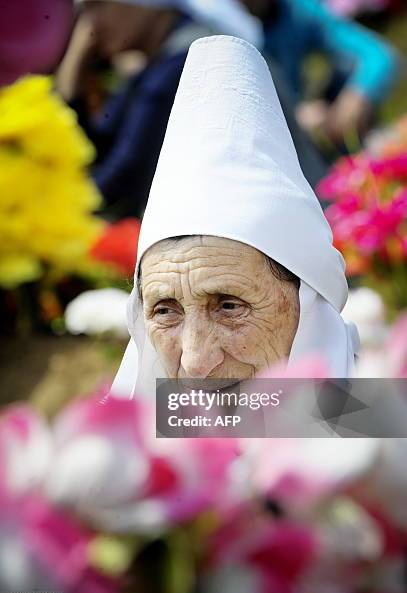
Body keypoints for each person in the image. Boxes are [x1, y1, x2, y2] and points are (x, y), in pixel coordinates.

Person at [111, 35, 359, 402]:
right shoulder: (120, 452)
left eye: (229, 306)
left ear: (309, 301)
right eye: (165, 312)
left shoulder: (387, 444)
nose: (195, 362)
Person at [56, 0, 263, 217]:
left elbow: (121, 179)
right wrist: (74, 65)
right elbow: (96, 146)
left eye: (98, 5)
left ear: (145, 7)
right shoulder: (157, 62)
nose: (89, 24)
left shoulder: (189, 60)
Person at [242, 0, 400, 142]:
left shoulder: (296, 10)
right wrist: (293, 118)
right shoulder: (227, 31)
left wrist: (358, 93)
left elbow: (378, 56)